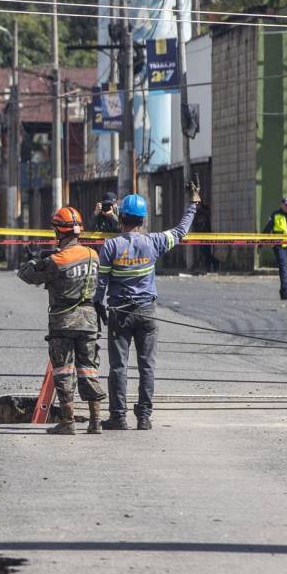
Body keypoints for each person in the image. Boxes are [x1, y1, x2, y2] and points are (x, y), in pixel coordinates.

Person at [94, 180, 200, 431]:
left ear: (121, 216)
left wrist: (98, 304)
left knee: (119, 367)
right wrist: (193, 204)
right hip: (147, 313)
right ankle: (144, 417)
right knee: (147, 366)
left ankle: (118, 417)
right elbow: (181, 230)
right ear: (142, 219)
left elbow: (101, 282)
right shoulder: (154, 242)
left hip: (120, 313)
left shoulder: (111, 245)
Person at [18, 207, 106, 435]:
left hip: (63, 321)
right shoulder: (92, 255)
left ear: (59, 231)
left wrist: (34, 261)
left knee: (64, 371)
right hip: (89, 320)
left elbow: (26, 276)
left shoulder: (57, 260)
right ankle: (96, 421)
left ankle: (68, 422)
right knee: (88, 369)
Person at [261, 196, 287, 299]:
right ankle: (285, 290)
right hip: (279, 246)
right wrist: (261, 242)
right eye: (286, 205)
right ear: (282, 205)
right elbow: (267, 229)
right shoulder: (275, 215)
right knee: (284, 267)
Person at [191, 198, 219, 273]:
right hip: (200, 234)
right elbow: (195, 224)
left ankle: (214, 263)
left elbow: (206, 217)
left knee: (206, 251)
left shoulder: (204, 210)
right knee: (204, 252)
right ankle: (210, 266)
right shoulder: (196, 212)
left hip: (206, 234)